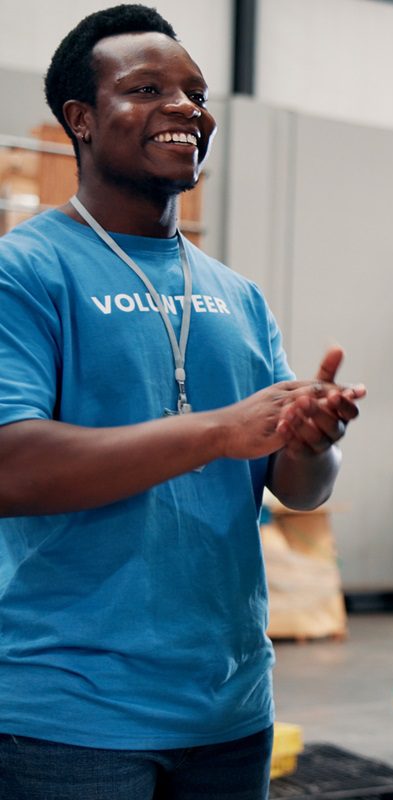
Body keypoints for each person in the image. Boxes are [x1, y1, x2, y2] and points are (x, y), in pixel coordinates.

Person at [0, 6, 363, 798]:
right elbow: (12, 467)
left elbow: (300, 491)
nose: (186, 108)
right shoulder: (23, 272)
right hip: (68, 716)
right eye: (147, 88)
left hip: (229, 712)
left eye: (196, 93)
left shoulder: (238, 295)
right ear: (82, 120)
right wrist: (218, 431)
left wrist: (308, 441)